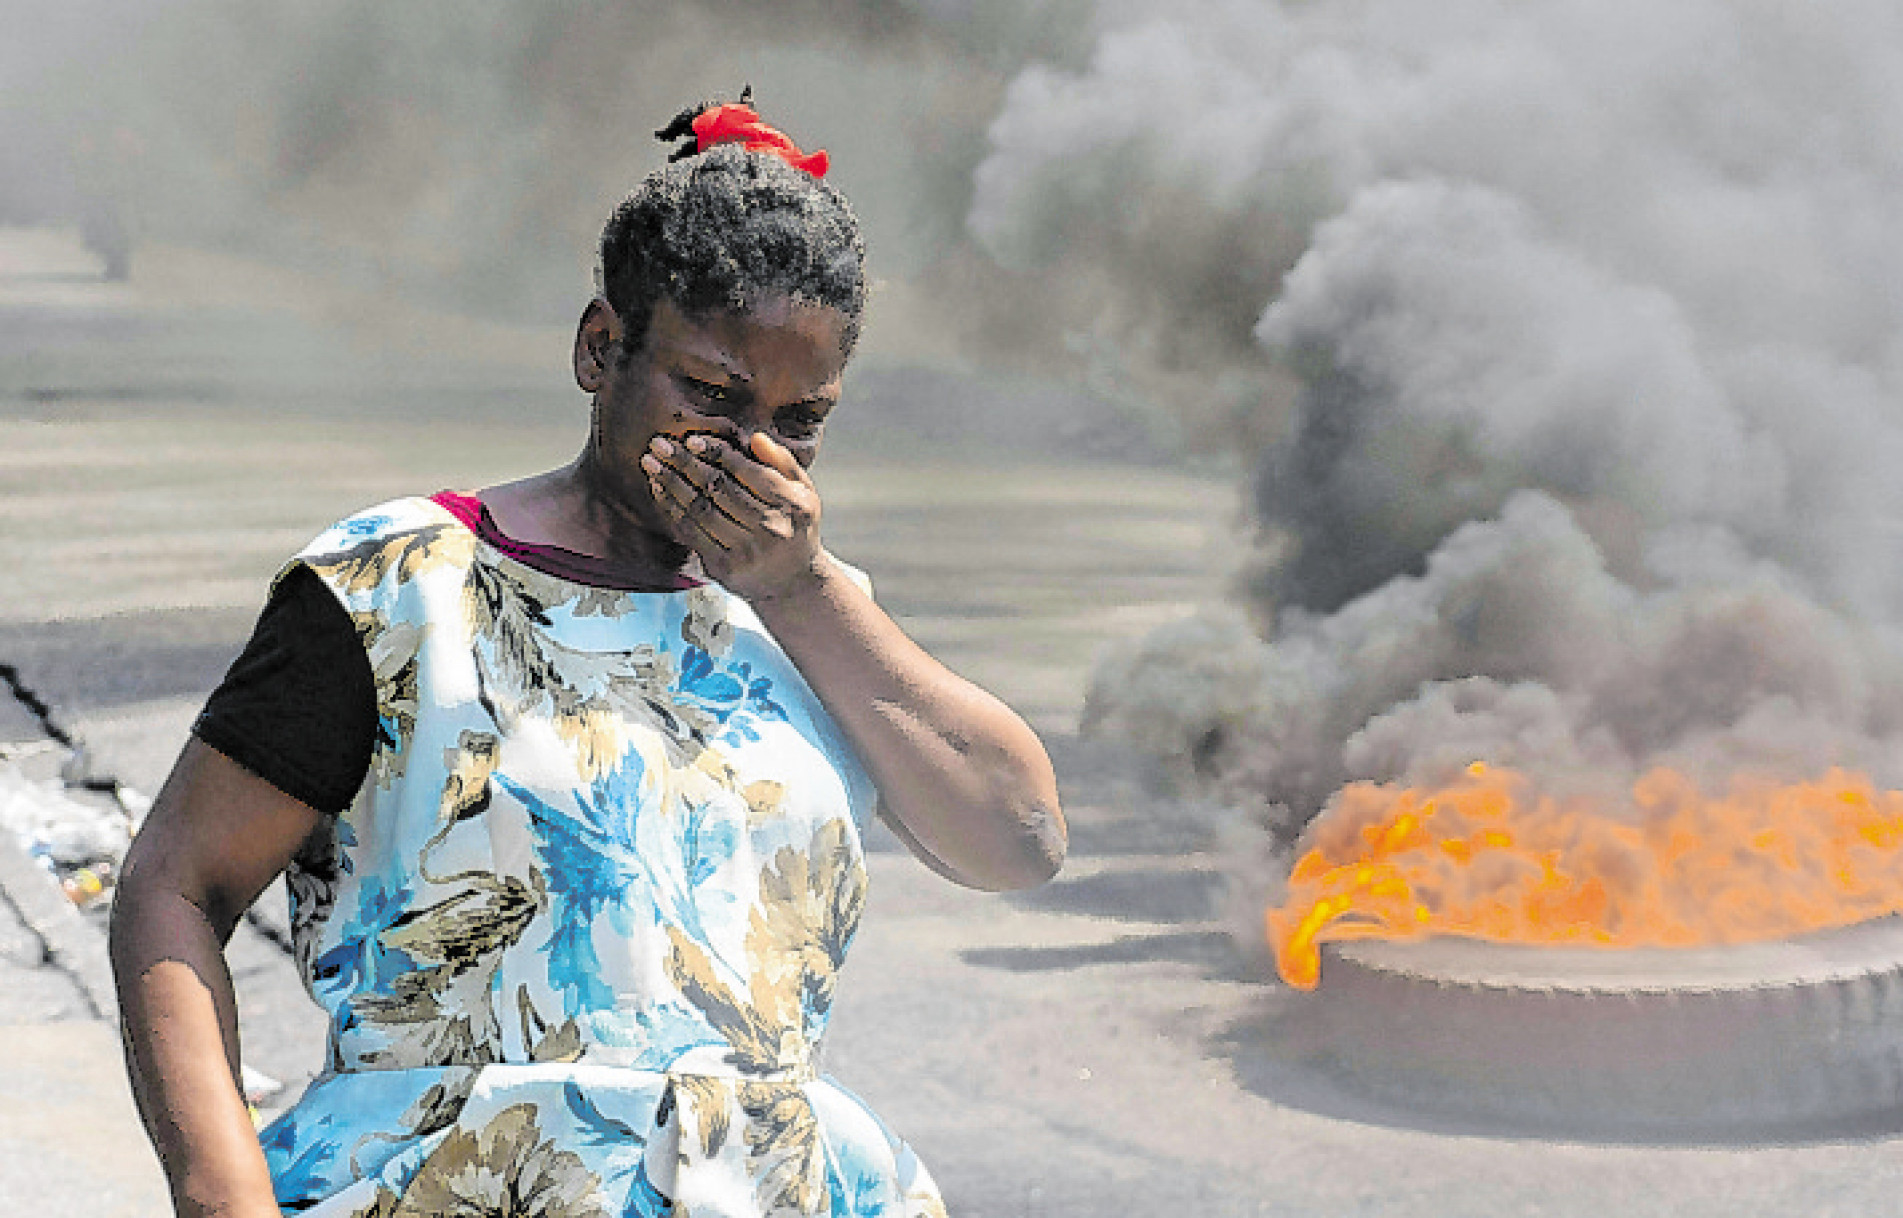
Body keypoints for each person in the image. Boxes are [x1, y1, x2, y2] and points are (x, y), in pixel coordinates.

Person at [110, 93, 1066, 1218]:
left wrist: (798, 591)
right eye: (710, 393)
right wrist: (222, 1197)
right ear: (601, 349)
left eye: (799, 418)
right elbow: (173, 884)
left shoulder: (814, 618)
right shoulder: (399, 587)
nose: (752, 447)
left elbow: (1020, 840)